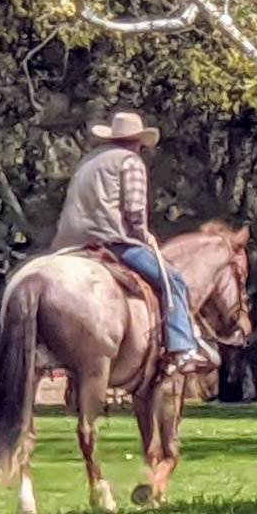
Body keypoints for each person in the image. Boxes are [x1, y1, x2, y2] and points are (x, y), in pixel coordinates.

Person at [51, 111, 218, 376]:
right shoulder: (130, 162)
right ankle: (182, 347)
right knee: (173, 281)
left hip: (69, 244)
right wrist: (142, 235)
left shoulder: (89, 161)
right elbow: (135, 210)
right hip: (113, 241)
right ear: (137, 141)